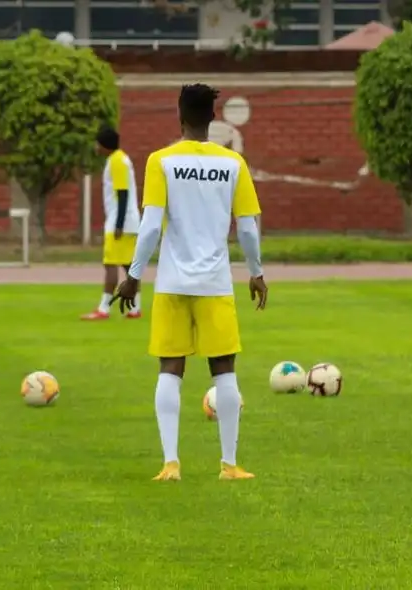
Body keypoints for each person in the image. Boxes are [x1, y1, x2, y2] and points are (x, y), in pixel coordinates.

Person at [112, 84, 268, 481]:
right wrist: (256, 271)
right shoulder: (233, 163)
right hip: (215, 283)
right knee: (224, 369)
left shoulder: (161, 161)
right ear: (213, 117)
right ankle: (229, 465)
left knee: (170, 368)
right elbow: (247, 227)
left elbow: (150, 226)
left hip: (172, 282)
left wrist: (133, 275)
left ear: (179, 116)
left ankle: (171, 464)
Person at [81, 126, 142, 320]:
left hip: (120, 221)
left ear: (104, 145)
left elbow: (122, 193)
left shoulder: (117, 161)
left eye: (97, 143)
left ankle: (104, 308)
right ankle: (135, 308)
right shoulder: (121, 159)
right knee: (128, 265)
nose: (96, 147)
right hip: (129, 221)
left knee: (110, 264)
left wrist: (118, 224)